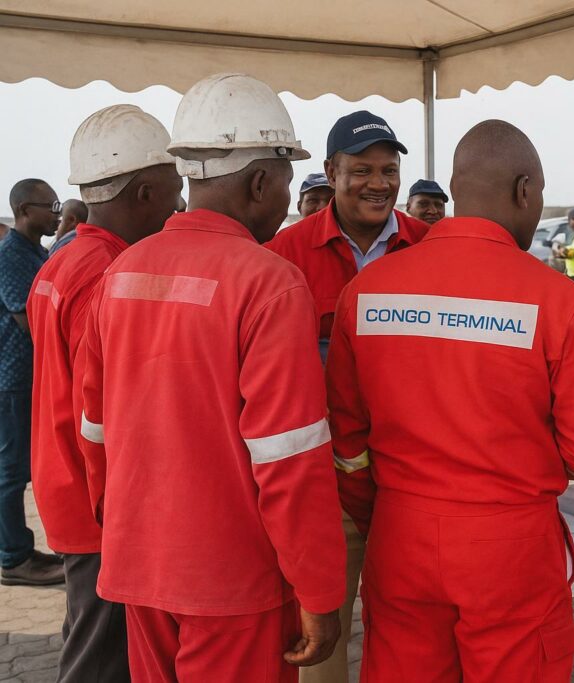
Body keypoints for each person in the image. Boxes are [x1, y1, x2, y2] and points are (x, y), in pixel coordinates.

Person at [327, 120, 574, 682]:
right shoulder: (557, 301)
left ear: (457, 189)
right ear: (524, 190)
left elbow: (347, 443)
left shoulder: (364, 293)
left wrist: (386, 515)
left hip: (400, 538)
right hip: (509, 548)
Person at [76, 73, 347, 682]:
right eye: (286, 181)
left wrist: (123, 524)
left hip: (140, 564)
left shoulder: (121, 273)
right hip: (231, 582)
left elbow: (93, 427)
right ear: (260, 181)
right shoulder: (269, 282)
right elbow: (289, 459)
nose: (289, 199)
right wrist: (319, 590)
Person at [268, 110, 429, 683]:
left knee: (414, 636)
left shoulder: (428, 248)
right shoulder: (285, 254)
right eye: (362, 170)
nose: (378, 184)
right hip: (326, 485)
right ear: (331, 171)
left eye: (389, 171)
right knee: (320, 638)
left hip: (414, 479)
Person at [28, 104, 181, 683]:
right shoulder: (109, 273)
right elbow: (112, 406)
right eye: (174, 189)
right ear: (145, 192)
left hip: (64, 482)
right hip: (98, 501)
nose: (180, 204)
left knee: (89, 633)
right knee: (100, 659)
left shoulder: (65, 259)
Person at [0, 179, 63, 587]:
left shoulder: (35, 252)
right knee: (11, 471)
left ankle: (21, 549)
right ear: (24, 210)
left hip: (28, 377)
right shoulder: (10, 256)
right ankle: (13, 558)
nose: (58, 214)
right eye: (50, 207)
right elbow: (31, 320)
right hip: (12, 379)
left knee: (22, 468)